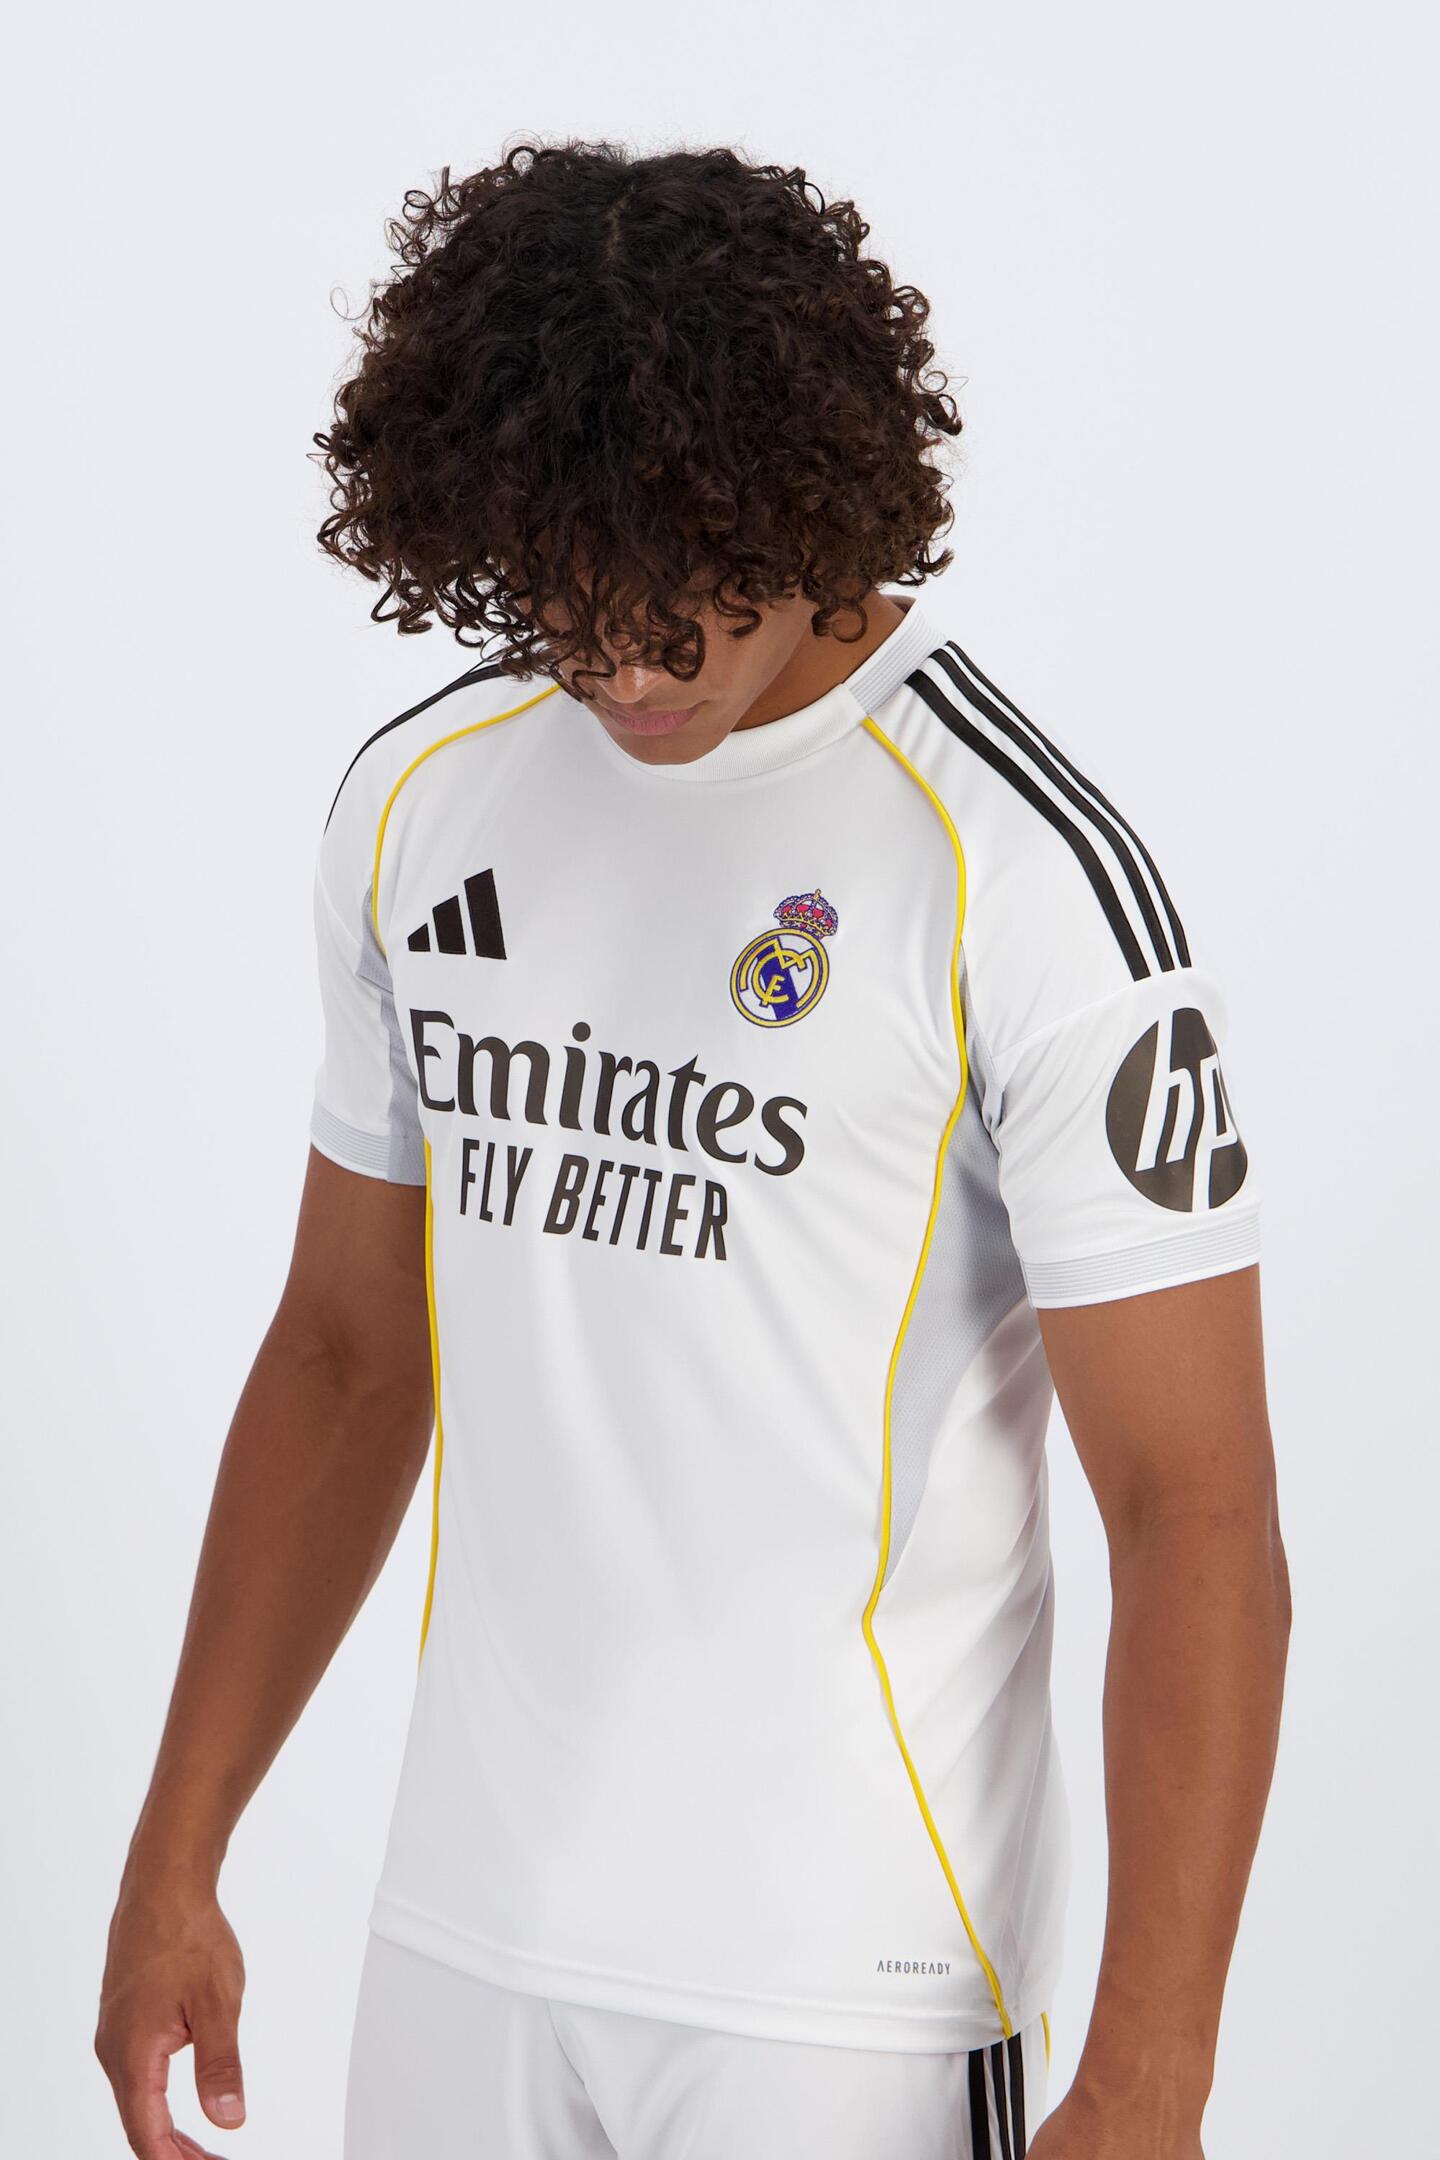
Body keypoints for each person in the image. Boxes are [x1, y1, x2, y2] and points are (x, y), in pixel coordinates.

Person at [95, 139, 1291, 2160]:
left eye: (681, 624)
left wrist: (1153, 2077)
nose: (631, 681)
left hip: (847, 1993)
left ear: (809, 505)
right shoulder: (424, 802)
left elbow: (1198, 1512)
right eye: (572, 628)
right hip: (466, 1937)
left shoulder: (1020, 872)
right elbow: (346, 1356)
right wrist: (175, 1850)